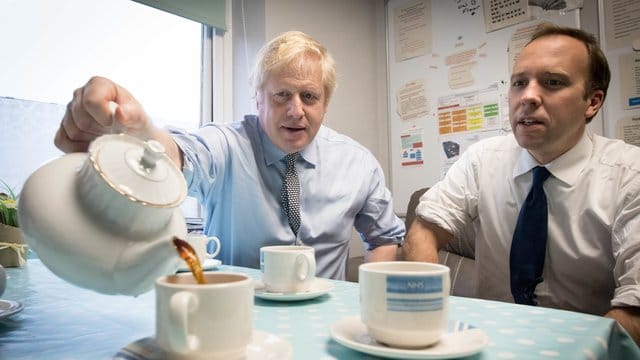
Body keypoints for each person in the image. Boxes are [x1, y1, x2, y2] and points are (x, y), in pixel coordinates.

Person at [54, 31, 404, 283]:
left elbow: (385, 238)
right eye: (282, 95)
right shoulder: (226, 145)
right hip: (235, 313)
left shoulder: (358, 163)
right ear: (259, 100)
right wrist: (137, 132)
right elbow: (178, 154)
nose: (296, 111)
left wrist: (369, 301)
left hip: (326, 318)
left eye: (309, 96)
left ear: (325, 103)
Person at [403, 23, 640, 345]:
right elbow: (424, 231)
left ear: (593, 101)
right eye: (519, 83)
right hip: (485, 342)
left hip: (585, 346)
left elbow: (635, 307)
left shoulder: (630, 174)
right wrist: (429, 318)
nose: (528, 96)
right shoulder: (482, 158)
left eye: (553, 82)